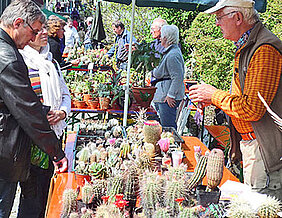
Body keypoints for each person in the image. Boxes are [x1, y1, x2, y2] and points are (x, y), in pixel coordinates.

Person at [189, 0, 282, 200]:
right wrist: (213, 99)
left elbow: (252, 109)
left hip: (263, 151)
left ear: (238, 18)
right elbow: (246, 100)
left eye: (219, 17)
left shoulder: (264, 50)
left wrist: (213, 95)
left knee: (259, 206)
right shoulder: (250, 46)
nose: (216, 23)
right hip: (254, 148)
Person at [0, 1, 68, 217]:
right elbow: (27, 110)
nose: (34, 37)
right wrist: (56, 153)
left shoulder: (9, 51)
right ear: (18, 23)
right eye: (35, 31)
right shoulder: (9, 57)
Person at [18, 23, 71, 218]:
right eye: (38, 30)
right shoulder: (22, 63)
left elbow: (65, 93)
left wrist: (62, 113)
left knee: (47, 190)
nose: (44, 33)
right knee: (32, 196)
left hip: (54, 133)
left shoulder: (52, 62)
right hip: (33, 138)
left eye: (44, 29)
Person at [151, 25, 185, 129]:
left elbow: (178, 77)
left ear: (166, 38)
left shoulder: (172, 55)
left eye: (161, 36)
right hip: (164, 95)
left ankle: (170, 145)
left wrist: (171, 95)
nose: (160, 38)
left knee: (168, 127)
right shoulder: (170, 53)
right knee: (165, 126)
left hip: (167, 98)